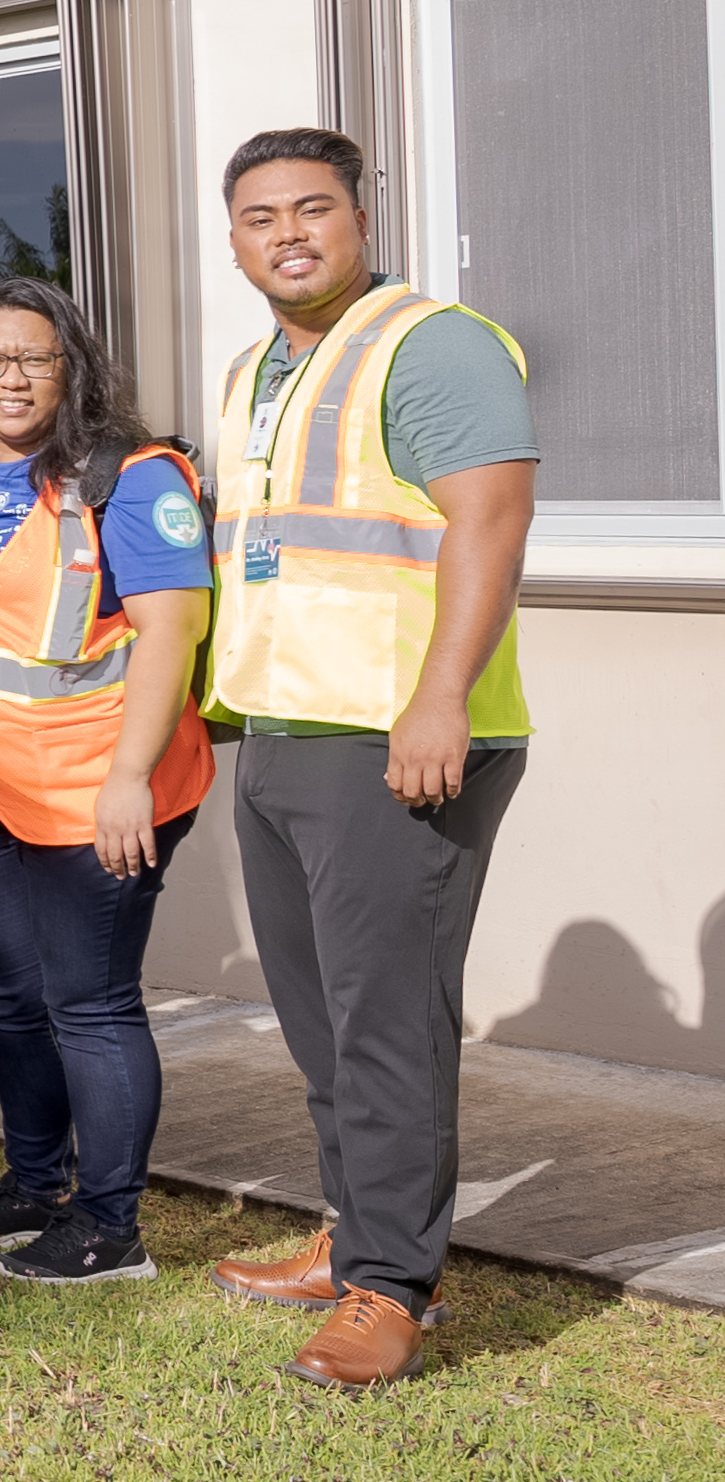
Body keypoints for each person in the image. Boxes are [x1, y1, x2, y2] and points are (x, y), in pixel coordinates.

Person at [197, 128, 534, 1393]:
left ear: (359, 213)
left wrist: (438, 697)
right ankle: (355, 1235)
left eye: (312, 208)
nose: (286, 233)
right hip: (284, 732)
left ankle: (392, 1287)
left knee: (386, 1018)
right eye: (257, 216)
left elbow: (487, 521)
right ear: (231, 238)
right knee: (320, 1017)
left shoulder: (429, 341)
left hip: (399, 739)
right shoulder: (257, 370)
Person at [0, 277, 215, 1285]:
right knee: (11, 1000)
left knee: (88, 1002)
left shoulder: (131, 475)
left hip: (96, 792)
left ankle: (110, 1226)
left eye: (31, 356)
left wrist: (125, 778)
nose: (9, 377)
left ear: (70, 365)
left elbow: (171, 630)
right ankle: (33, 1185)